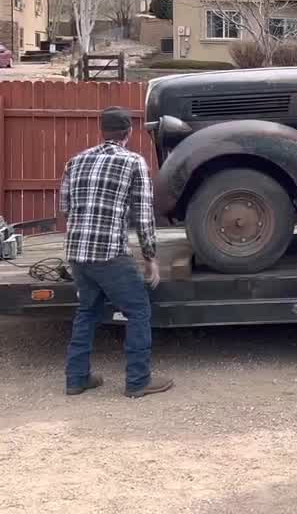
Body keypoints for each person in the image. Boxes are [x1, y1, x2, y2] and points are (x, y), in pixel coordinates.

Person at [60, 106, 173, 398]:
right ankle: (137, 381)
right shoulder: (133, 162)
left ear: (102, 130)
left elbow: (66, 207)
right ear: (129, 133)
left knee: (87, 311)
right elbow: (144, 215)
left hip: (77, 252)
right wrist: (151, 259)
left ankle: (76, 379)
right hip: (109, 253)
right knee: (138, 310)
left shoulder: (76, 161)